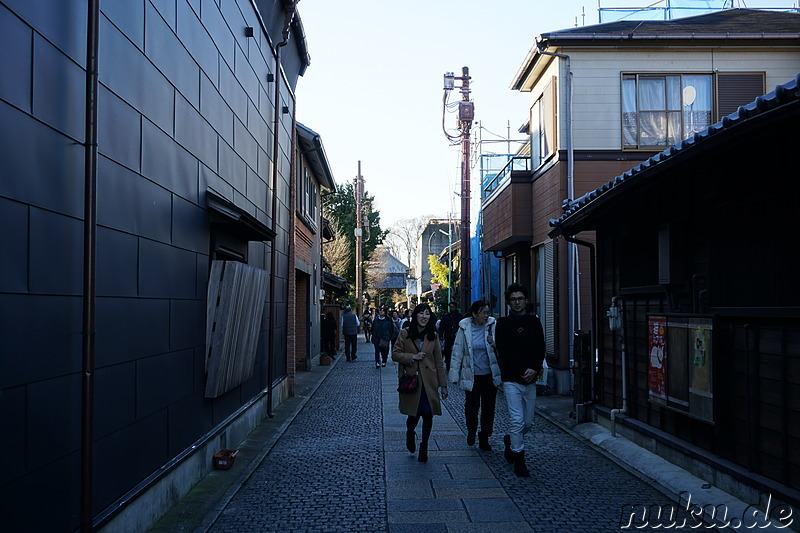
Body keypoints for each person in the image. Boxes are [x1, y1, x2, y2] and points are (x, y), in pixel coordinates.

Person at [494, 283, 545, 477]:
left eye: (520, 299)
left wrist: (534, 369)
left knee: (529, 423)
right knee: (516, 419)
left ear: (526, 301)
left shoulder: (534, 322)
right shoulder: (503, 324)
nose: (517, 302)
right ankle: (519, 458)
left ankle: (511, 440)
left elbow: (540, 348)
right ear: (509, 302)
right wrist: (521, 369)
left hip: (530, 378)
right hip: (511, 378)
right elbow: (503, 351)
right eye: (514, 299)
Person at [392, 303, 448, 462]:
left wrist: (443, 385)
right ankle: (410, 432)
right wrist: (412, 357)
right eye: (421, 313)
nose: (424, 317)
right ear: (415, 315)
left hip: (429, 382)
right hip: (413, 380)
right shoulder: (405, 333)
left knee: (428, 414)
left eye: (427, 314)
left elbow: (438, 361)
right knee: (414, 415)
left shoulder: (433, 335)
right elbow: (395, 354)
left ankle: (424, 445)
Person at [448, 300, 501, 451]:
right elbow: (457, 352)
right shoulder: (464, 328)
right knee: (471, 407)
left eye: (487, 312)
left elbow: (502, 344)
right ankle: (471, 431)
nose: (486, 315)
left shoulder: (492, 325)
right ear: (474, 314)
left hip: (489, 375)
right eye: (483, 312)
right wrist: (454, 375)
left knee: (488, 408)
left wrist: (494, 342)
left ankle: (484, 436)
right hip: (471, 375)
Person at [437, 301, 461, 371]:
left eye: (453, 307)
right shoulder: (446, 317)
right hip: (448, 338)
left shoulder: (459, 316)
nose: (452, 309)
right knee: (447, 352)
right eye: (451, 307)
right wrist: (441, 336)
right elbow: (441, 327)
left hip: (457, 337)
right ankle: (448, 365)